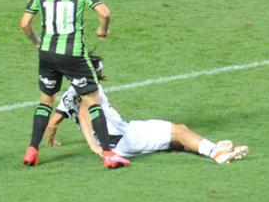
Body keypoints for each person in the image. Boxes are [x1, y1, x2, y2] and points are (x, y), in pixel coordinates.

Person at [19, 0, 131, 169]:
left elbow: (24, 24)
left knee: (45, 101)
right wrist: (102, 29)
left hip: (48, 54)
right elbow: (105, 13)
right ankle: (108, 153)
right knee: (92, 101)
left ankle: (32, 150)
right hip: (74, 55)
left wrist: (36, 41)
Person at [44, 57, 249, 165]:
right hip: (122, 139)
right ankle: (216, 153)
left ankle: (206, 146)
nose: (101, 73)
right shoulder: (91, 89)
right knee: (178, 131)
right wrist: (95, 148)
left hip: (123, 136)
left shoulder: (68, 94)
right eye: (99, 70)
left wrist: (51, 141)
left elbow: (53, 124)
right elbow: (83, 114)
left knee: (177, 132)